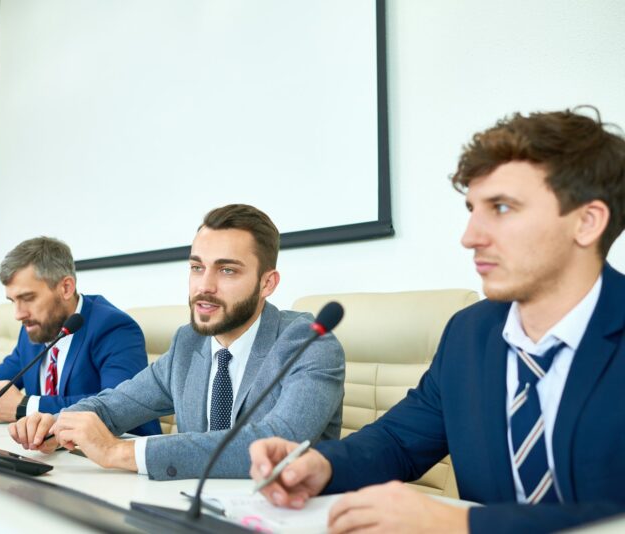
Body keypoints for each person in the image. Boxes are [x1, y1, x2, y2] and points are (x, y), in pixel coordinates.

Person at [249, 108, 625, 533]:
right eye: (472, 208)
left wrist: (463, 522)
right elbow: (398, 443)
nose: (470, 236)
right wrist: (320, 465)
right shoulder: (470, 333)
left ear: (587, 222)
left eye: (501, 207)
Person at [9, 204, 345, 480]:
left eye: (227, 270)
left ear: (267, 283)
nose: (205, 286)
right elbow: (114, 404)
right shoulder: (189, 343)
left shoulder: (309, 342)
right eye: (197, 267)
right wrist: (59, 423)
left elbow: (277, 442)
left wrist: (120, 452)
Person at [0, 236, 160, 436]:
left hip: (117, 463)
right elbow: (2, 376)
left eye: (28, 298)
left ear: (66, 288)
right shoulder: (36, 327)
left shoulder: (114, 328)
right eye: (13, 301)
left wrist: (24, 406)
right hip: (54, 454)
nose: (18, 314)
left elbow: (119, 405)